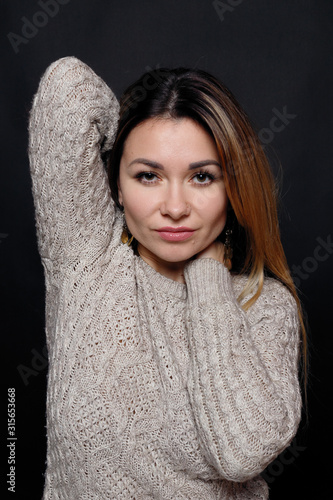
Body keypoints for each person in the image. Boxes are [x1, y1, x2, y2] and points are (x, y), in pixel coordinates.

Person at [29, 56, 305, 499]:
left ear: (231, 187)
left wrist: (210, 275)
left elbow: (242, 453)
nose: (175, 206)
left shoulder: (264, 305)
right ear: (117, 185)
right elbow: (66, 88)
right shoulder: (86, 261)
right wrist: (138, 116)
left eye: (201, 176)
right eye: (148, 175)